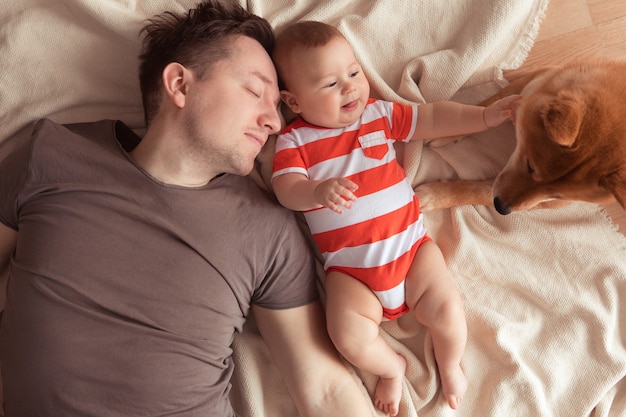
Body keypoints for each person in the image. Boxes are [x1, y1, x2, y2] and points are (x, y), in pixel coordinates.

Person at [0, 3, 374, 416]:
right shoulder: (53, 155)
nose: (275, 123)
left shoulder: (267, 228)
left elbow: (324, 389)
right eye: (254, 91)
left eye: (278, 106)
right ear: (180, 84)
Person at [271, 21, 520, 416]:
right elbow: (286, 189)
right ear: (294, 101)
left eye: (353, 73)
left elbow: (434, 118)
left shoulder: (378, 115)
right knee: (346, 336)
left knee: (447, 309)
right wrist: (315, 192)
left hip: (411, 249)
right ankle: (392, 368)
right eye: (330, 84)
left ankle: (450, 363)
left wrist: (485, 118)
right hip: (352, 273)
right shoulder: (295, 141)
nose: (350, 87)